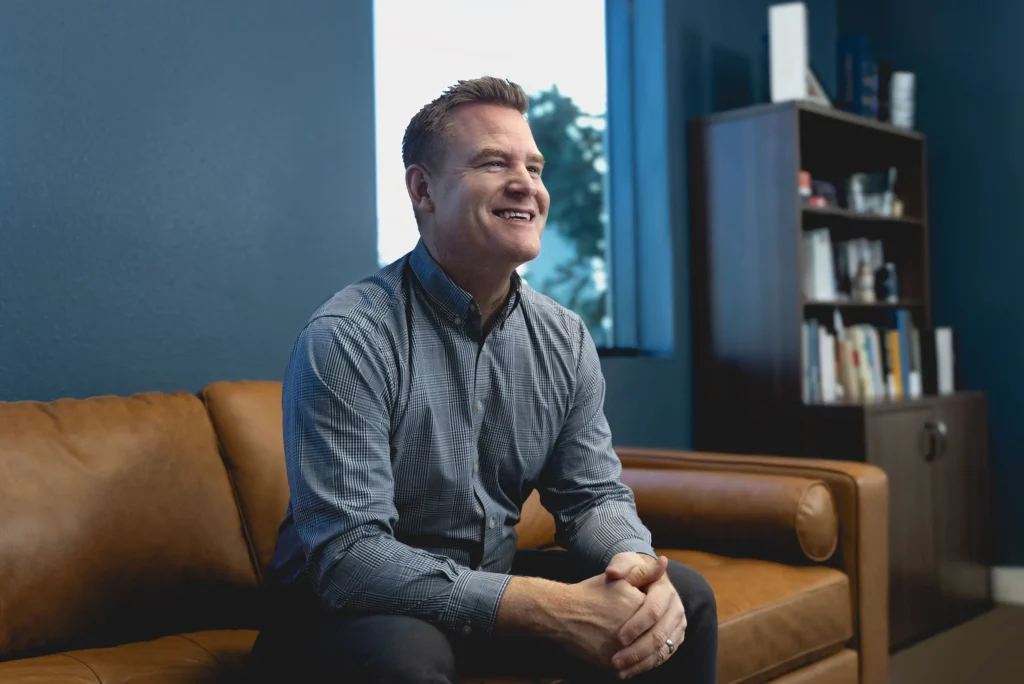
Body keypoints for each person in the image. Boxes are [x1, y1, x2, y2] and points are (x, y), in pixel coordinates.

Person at [252, 76, 717, 683]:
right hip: (342, 615)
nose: (527, 184)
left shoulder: (565, 338)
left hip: (485, 590)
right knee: (406, 658)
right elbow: (351, 560)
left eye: (535, 166)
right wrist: (547, 607)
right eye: (494, 163)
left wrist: (633, 565)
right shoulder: (349, 335)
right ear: (423, 189)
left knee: (680, 598)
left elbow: (592, 497)